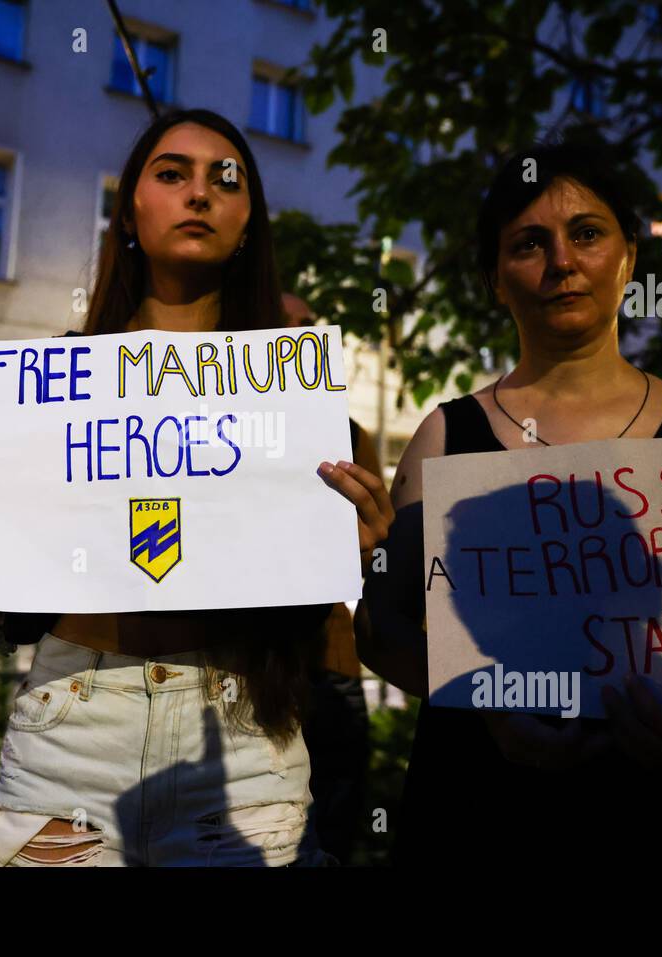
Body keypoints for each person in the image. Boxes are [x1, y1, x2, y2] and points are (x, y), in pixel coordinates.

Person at [0, 109, 395, 866]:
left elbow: (304, 598)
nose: (199, 194)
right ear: (129, 209)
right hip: (72, 724)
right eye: (172, 173)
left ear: (249, 219)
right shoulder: (45, 386)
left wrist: (353, 551)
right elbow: (5, 606)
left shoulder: (296, 397)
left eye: (226, 179)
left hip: (242, 733)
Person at [359, 139, 662, 867]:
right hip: (485, 815)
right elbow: (382, 626)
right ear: (496, 278)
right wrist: (482, 698)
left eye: (587, 234)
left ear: (629, 257)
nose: (561, 261)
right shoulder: (444, 435)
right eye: (530, 243)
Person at [282, 291, 377, 865]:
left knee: (332, 832)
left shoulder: (346, 433)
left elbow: (373, 554)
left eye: (307, 329)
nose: (296, 339)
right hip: (235, 668)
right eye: (282, 324)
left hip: (327, 660)